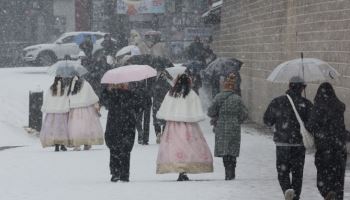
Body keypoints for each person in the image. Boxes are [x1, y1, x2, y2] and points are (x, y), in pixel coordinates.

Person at [156, 73, 213, 181]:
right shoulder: (191, 94)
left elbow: (165, 107)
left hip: (173, 125)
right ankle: (185, 168)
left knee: (175, 147)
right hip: (189, 125)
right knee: (189, 146)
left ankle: (179, 168)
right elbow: (196, 109)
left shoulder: (171, 93)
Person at [263, 76, 313, 200]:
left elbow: (267, 120)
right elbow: (312, 124)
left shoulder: (277, 101)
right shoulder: (306, 104)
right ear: (302, 88)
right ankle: (295, 196)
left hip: (282, 144)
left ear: (289, 86)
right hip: (299, 145)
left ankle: (287, 190)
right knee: (297, 173)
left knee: (282, 171)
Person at [305, 82, 348, 200]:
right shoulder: (339, 108)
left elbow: (310, 126)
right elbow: (341, 129)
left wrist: (307, 123)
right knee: (338, 183)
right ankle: (335, 196)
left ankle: (328, 193)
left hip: (324, 150)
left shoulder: (318, 107)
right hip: (340, 150)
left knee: (322, 183)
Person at [207, 73, 248, 180]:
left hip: (221, 126)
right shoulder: (237, 99)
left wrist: (217, 116)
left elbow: (210, 112)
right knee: (232, 149)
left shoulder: (218, 97)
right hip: (234, 126)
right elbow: (244, 114)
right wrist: (237, 119)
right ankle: (232, 171)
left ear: (224, 86)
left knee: (224, 150)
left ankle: (227, 171)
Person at [101, 83, 143, 182]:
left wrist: (107, 89)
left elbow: (103, 100)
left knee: (114, 149)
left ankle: (115, 172)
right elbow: (140, 106)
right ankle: (124, 174)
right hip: (127, 125)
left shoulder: (111, 95)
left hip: (113, 124)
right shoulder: (131, 95)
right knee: (125, 150)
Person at [67, 76, 104, 151]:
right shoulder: (86, 84)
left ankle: (77, 144)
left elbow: (68, 98)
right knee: (87, 126)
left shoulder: (71, 85)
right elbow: (92, 96)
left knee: (76, 127)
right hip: (87, 108)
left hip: (75, 110)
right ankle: (87, 143)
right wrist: (96, 105)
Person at [40, 76, 70, 152]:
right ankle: (62, 145)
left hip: (52, 112)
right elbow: (67, 99)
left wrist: (47, 107)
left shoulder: (51, 89)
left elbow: (47, 99)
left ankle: (56, 145)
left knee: (54, 129)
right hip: (62, 112)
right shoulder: (64, 89)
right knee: (62, 129)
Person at [152, 69, 172, 144]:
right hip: (165, 104)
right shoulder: (167, 84)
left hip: (156, 104)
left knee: (156, 119)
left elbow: (151, 92)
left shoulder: (155, 83)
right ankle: (163, 133)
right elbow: (172, 92)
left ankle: (158, 133)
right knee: (165, 119)